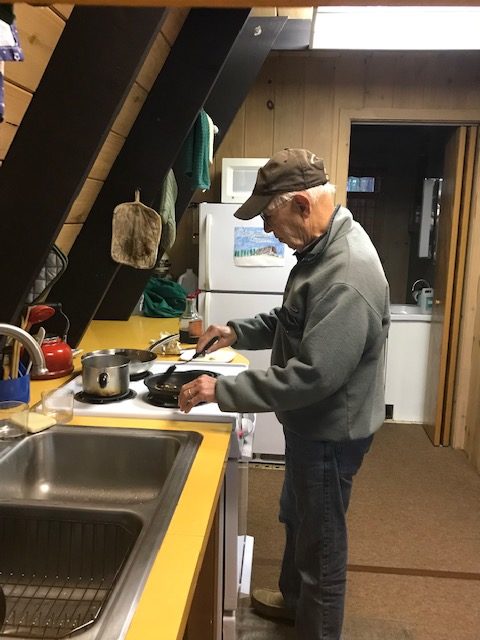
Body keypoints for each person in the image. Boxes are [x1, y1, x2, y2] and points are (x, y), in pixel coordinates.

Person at [178, 148, 390, 640]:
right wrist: (236, 330)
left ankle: (311, 618)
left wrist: (223, 389)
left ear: (299, 204)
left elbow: (312, 376)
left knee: (322, 553)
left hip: (331, 432)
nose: (268, 231)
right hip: (309, 424)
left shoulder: (347, 273)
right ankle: (294, 603)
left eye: (269, 218)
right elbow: (291, 322)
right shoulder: (318, 252)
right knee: (296, 517)